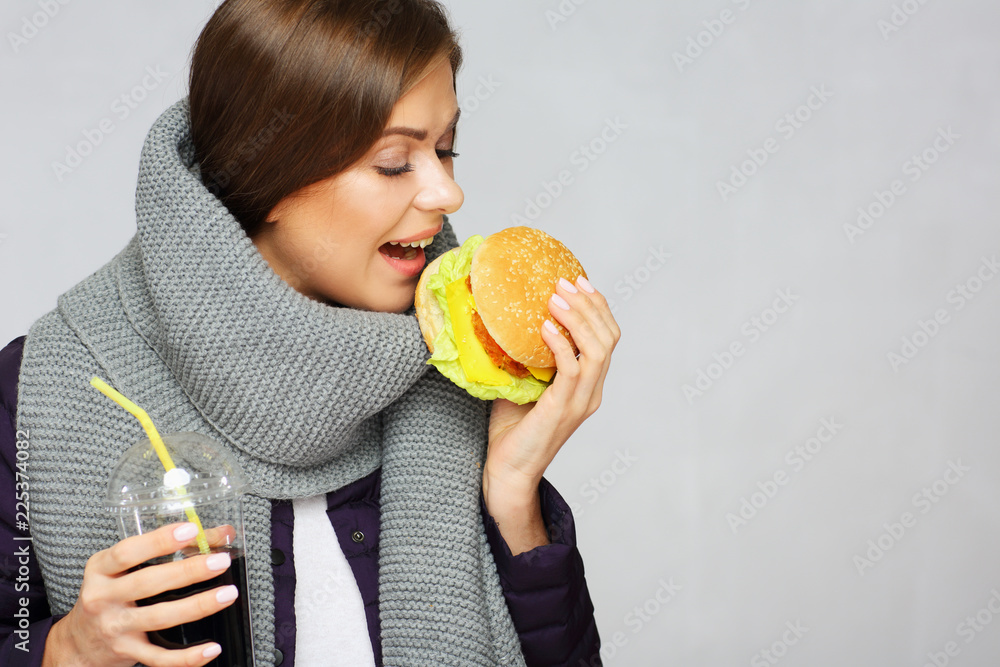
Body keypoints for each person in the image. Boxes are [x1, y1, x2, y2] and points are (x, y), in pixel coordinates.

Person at [0, 0, 620, 665]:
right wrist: (62, 649)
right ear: (265, 176)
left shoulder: (465, 370)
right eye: (394, 162)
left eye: (445, 150)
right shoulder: (39, 391)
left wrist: (514, 493)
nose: (448, 194)